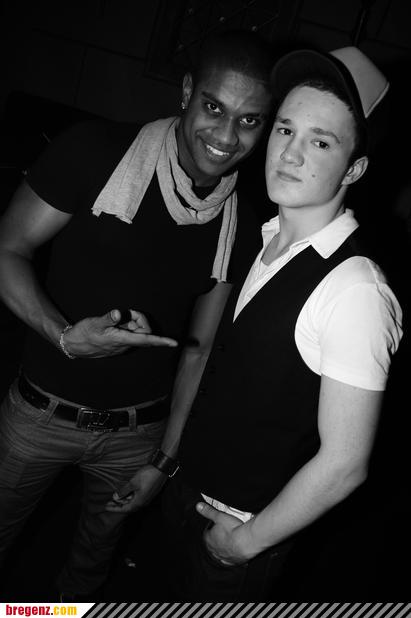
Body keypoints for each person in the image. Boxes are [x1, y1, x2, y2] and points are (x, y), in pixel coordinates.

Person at [111, 45, 403, 600]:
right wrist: (166, 467)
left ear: (355, 168)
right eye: (285, 129)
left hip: (239, 533)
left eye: (320, 142)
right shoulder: (264, 238)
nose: (289, 153)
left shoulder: (356, 289)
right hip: (184, 496)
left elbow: (345, 464)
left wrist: (243, 544)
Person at [0, 30, 274, 600]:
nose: (226, 136)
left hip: (137, 434)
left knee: (88, 571)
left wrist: (165, 460)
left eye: (249, 120)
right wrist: (64, 336)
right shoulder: (93, 151)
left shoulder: (242, 220)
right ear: (187, 92)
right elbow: (8, 249)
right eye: (214, 107)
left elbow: (199, 352)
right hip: (40, 415)